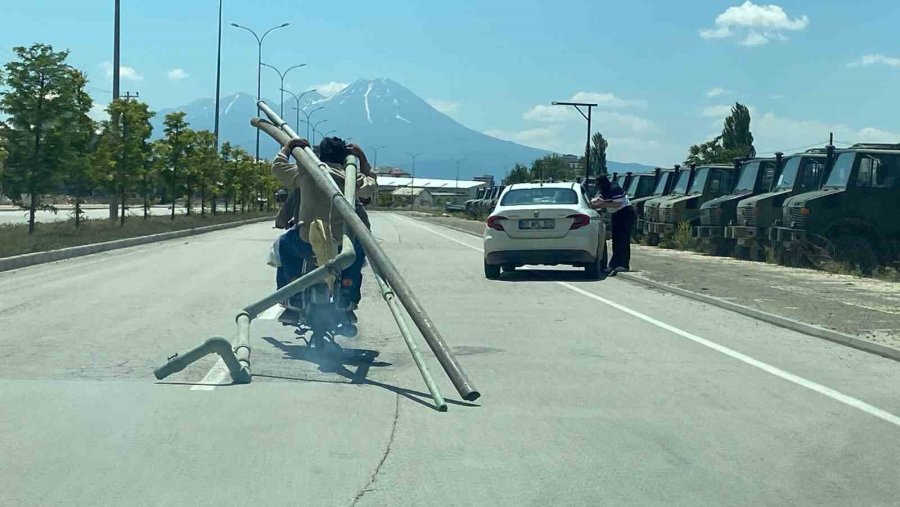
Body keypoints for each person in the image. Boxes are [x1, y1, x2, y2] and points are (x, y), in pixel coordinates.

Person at [271, 136, 377, 317]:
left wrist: (288, 147)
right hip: (342, 246)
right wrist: (363, 159)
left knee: (284, 246)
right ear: (344, 157)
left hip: (306, 241)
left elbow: (278, 168)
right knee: (358, 251)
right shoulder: (351, 177)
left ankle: (292, 292)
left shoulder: (306, 172)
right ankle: (348, 296)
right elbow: (371, 186)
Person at [591, 174, 635, 276]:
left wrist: (602, 205)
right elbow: (599, 199)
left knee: (623, 239)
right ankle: (614, 264)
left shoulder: (614, 189)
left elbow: (617, 204)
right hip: (616, 214)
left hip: (625, 214)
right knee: (616, 239)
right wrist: (591, 202)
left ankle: (623, 264)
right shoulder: (605, 190)